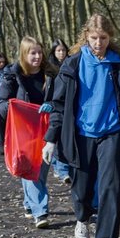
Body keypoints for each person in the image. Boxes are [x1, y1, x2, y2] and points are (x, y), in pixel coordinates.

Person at [42, 14, 120, 238]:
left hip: (112, 133)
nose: (99, 43)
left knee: (112, 189)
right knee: (82, 187)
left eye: (104, 38)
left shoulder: (118, 63)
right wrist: (51, 140)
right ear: (86, 36)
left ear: (111, 37)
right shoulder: (73, 64)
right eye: (94, 38)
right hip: (81, 135)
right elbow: (59, 104)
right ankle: (82, 217)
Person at [0, 37, 55, 228]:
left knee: (41, 169)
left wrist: (52, 105)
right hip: (23, 131)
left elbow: (61, 99)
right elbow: (2, 105)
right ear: (24, 54)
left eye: (40, 52)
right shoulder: (13, 74)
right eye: (33, 53)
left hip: (45, 130)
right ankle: (41, 212)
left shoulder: (51, 74)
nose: (37, 56)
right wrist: (16, 107)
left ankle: (29, 203)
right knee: (32, 170)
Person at [46, 39, 71, 185]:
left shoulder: (71, 64)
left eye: (63, 50)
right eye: (58, 50)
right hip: (53, 105)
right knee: (55, 135)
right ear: (54, 52)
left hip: (67, 105)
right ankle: (60, 169)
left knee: (62, 136)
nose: (61, 53)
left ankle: (60, 167)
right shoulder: (50, 69)